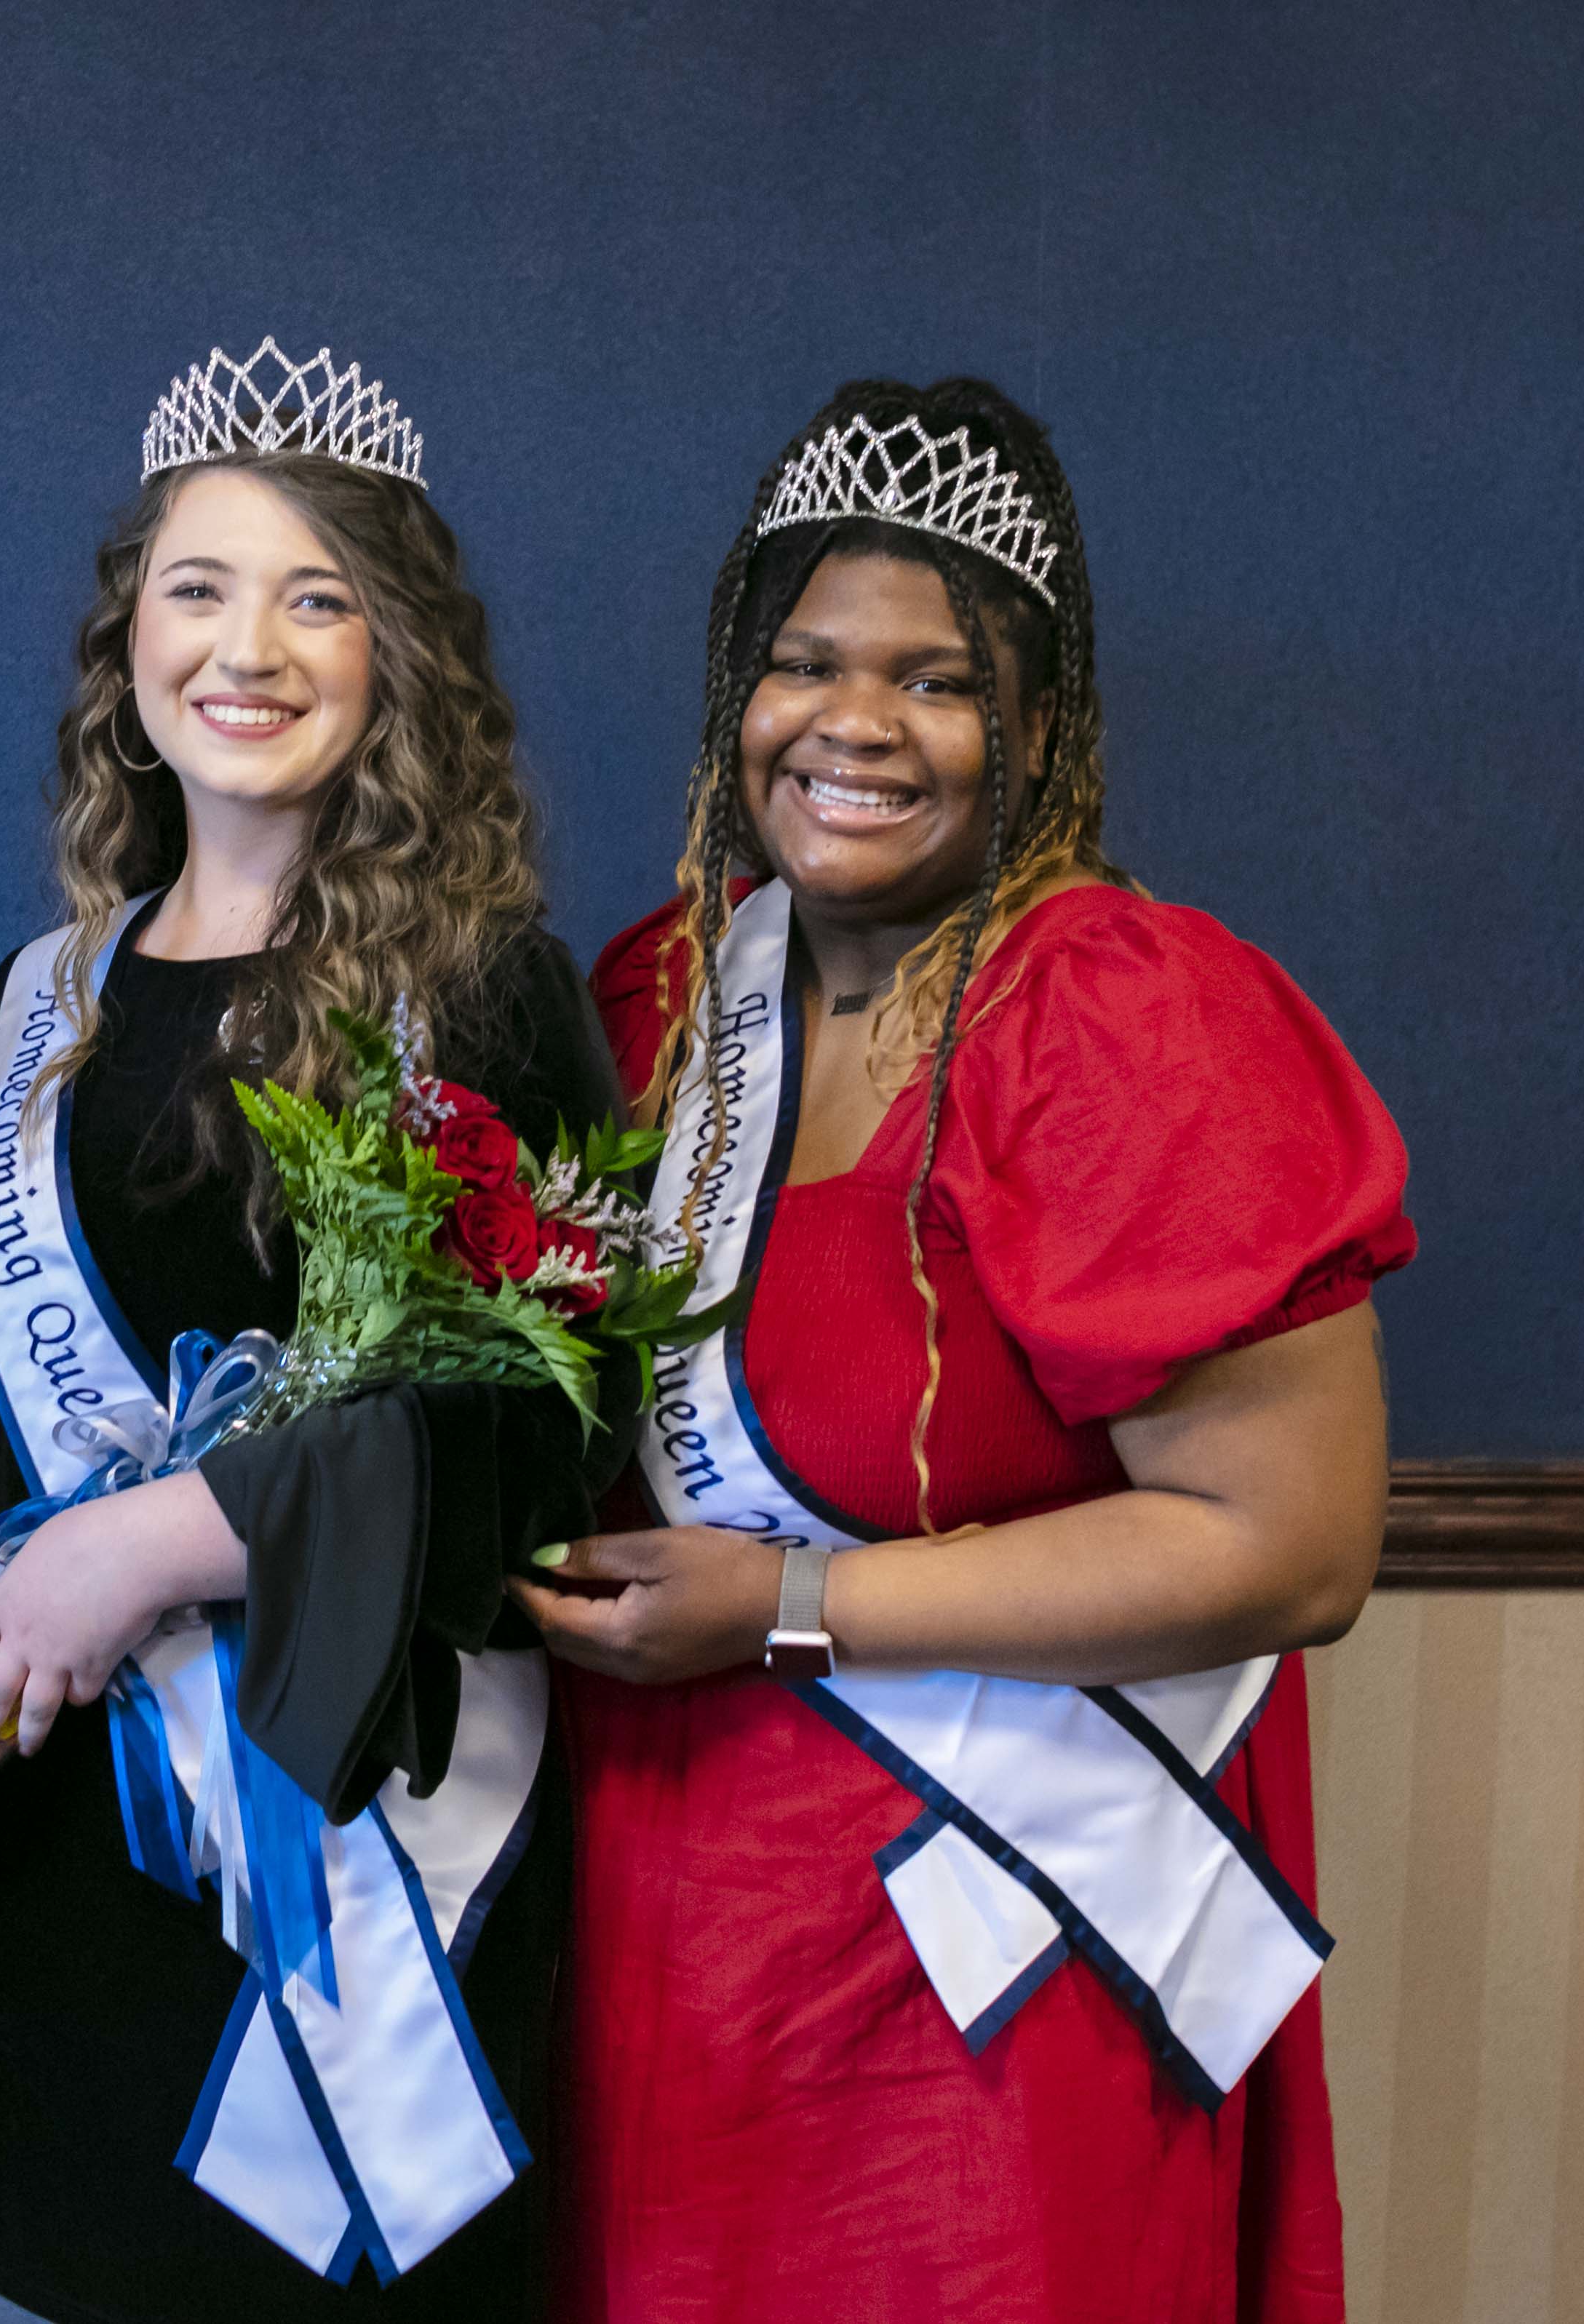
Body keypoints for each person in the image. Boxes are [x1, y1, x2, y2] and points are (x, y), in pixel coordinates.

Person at [517, 377, 1406, 2323]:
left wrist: (791, 1601)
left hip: (989, 1970)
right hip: (662, 1940)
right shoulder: (665, 992)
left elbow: (1298, 1541)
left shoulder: (1115, 1016)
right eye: (805, 663)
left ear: (1037, 725)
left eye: (936, 681)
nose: (853, 724)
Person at [0, 340, 626, 2322]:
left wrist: (178, 1533)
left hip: (383, 1841)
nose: (245, 645)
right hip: (73, 1845)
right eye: (198, 588)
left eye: (315, 595)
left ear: (395, 658)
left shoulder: (492, 995)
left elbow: (558, 1415)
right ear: (130, 648)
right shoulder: (42, 1012)